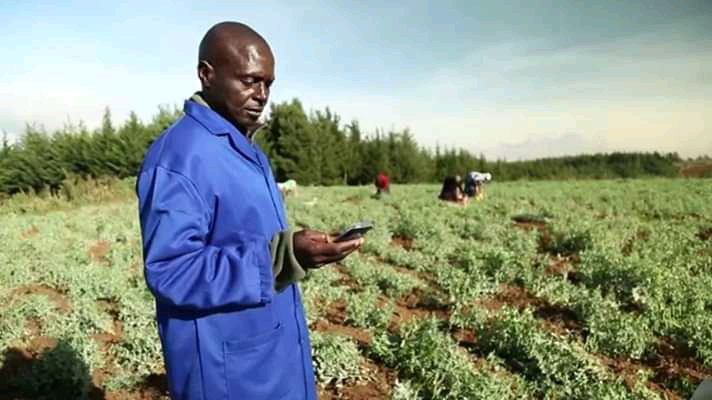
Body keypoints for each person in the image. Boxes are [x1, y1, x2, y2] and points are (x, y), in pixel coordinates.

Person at [135, 21, 363, 400]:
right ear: (206, 75)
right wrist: (281, 257)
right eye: (249, 81)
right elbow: (171, 269)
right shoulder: (180, 157)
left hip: (267, 356)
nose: (261, 95)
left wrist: (291, 247)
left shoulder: (245, 148)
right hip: (224, 368)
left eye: (268, 84)